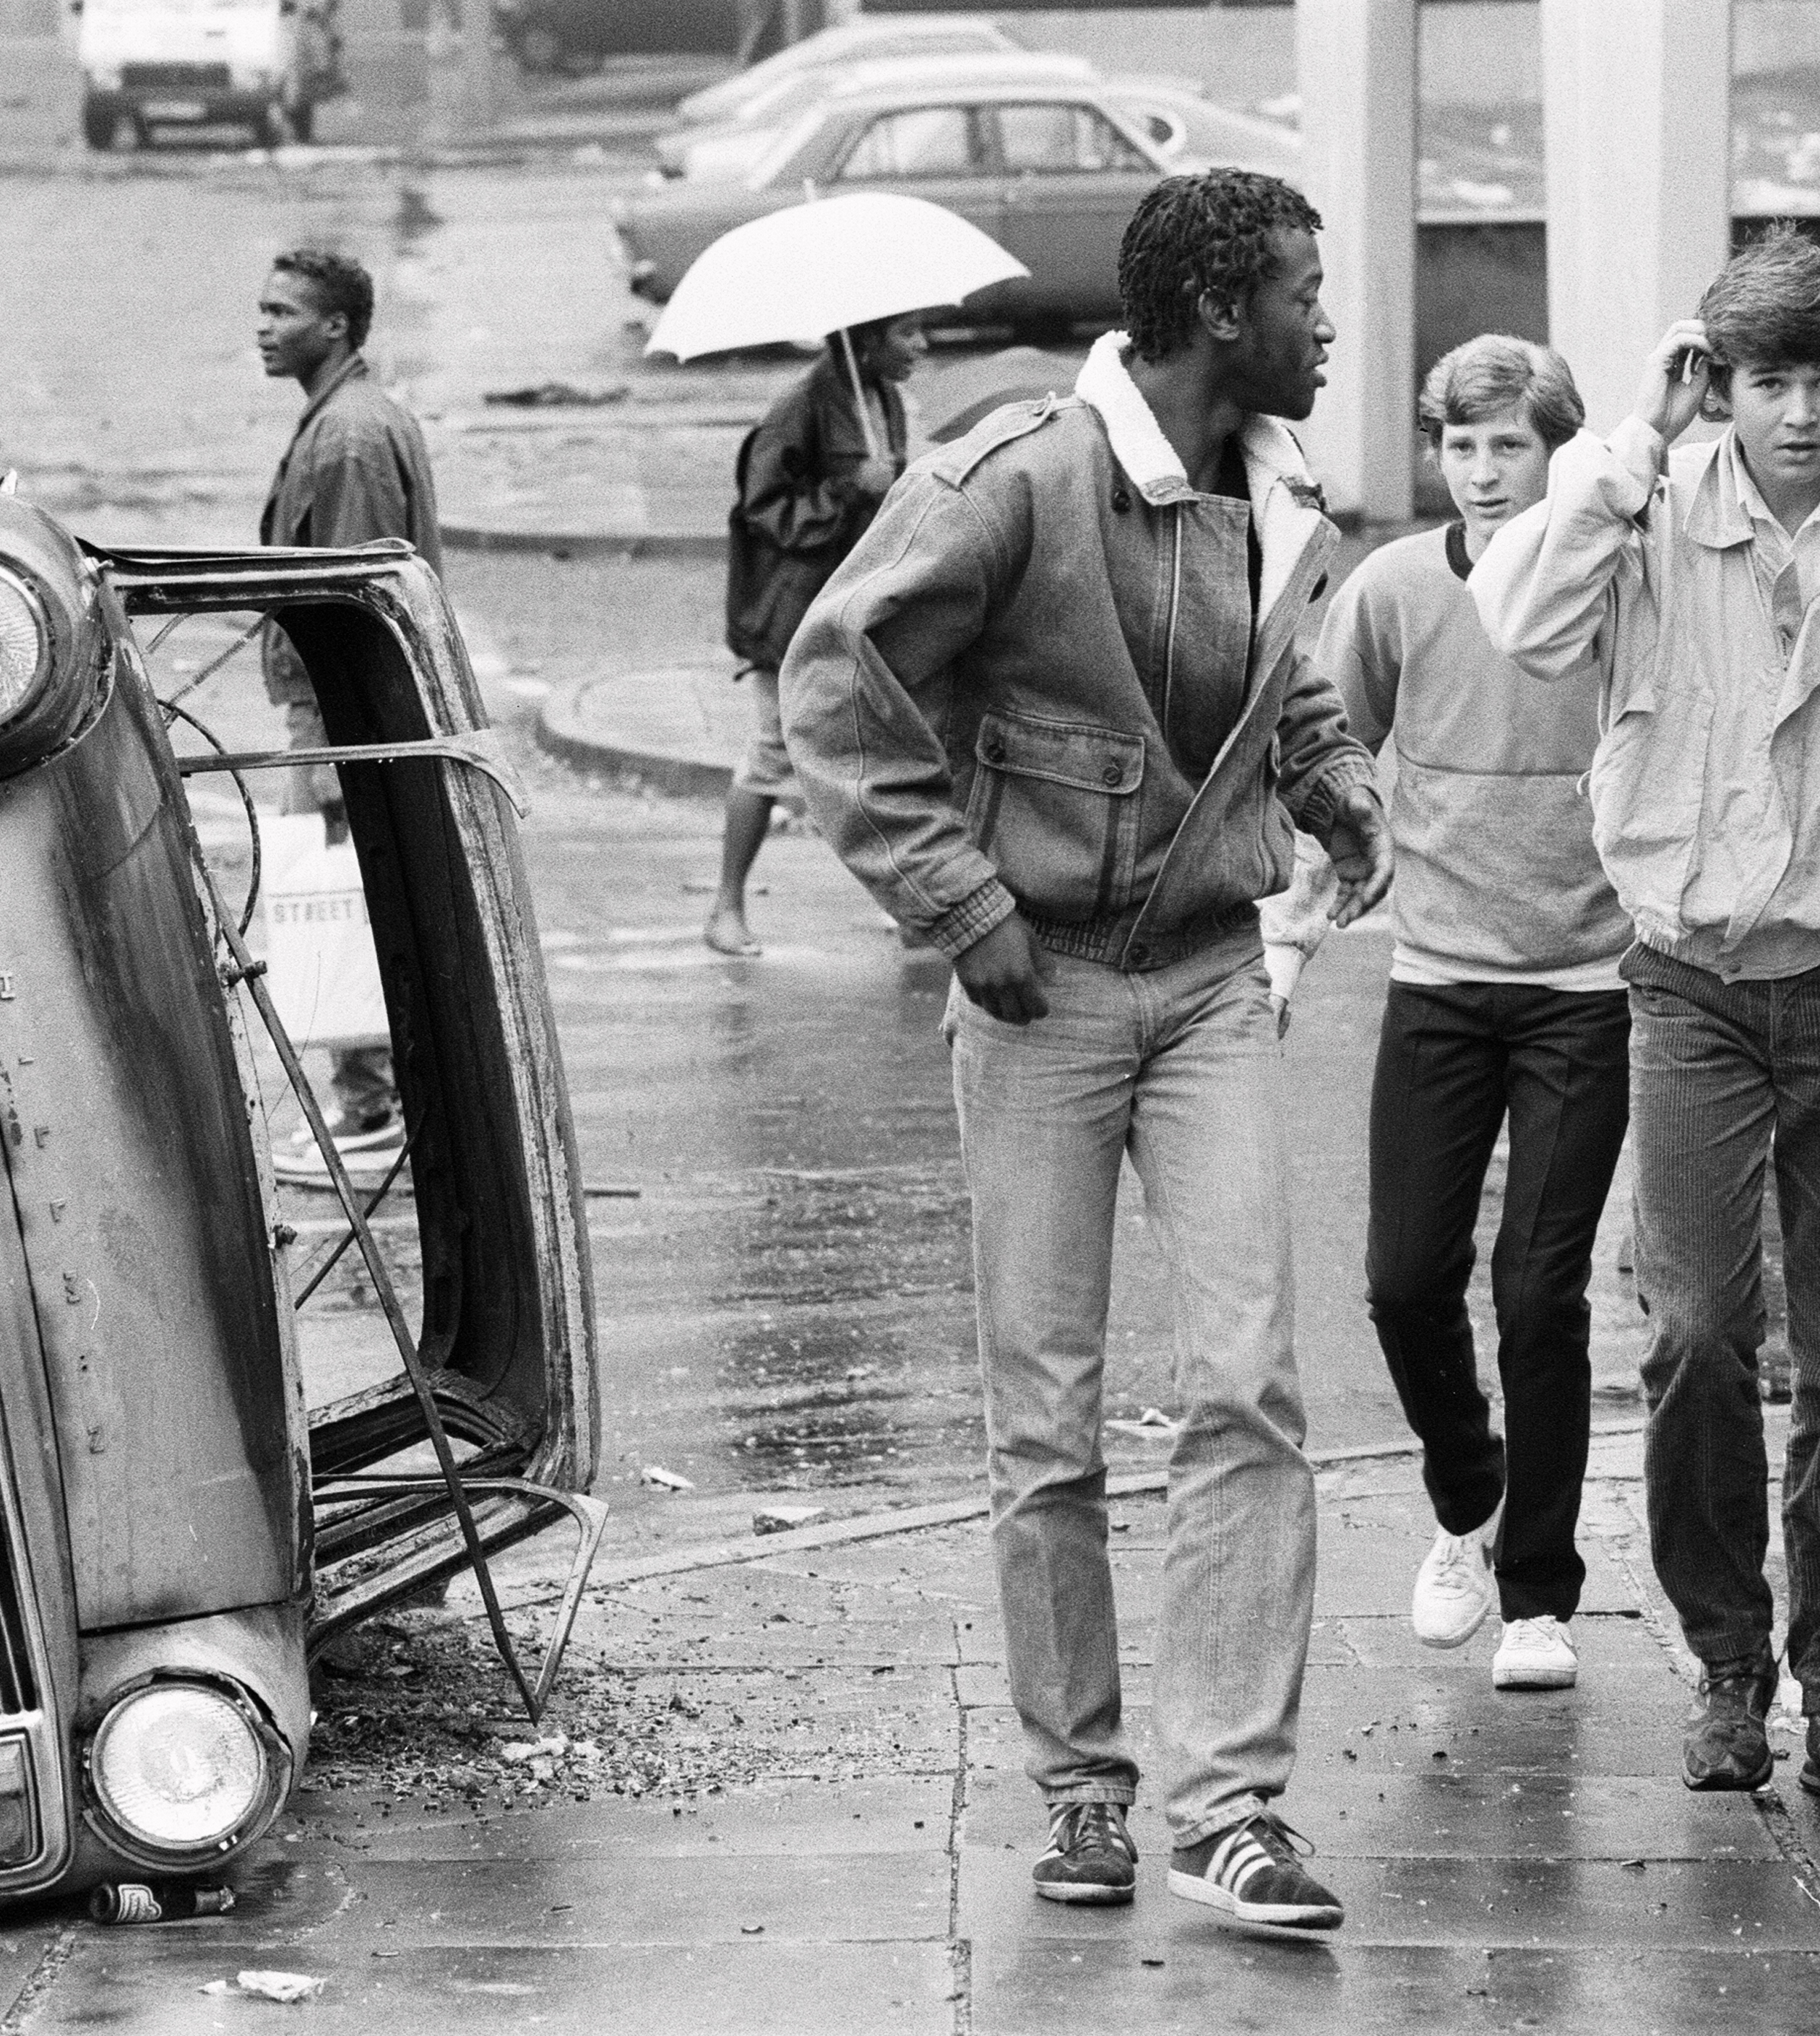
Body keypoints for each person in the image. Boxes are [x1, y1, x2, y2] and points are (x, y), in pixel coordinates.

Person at [782, 168, 1390, 1930]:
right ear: (1218, 312)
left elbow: (1277, 680)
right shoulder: (1018, 480)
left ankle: (1232, 1806)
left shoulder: (1274, 488)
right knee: (1042, 1417)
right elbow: (839, 686)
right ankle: (1083, 1785)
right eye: (1304, 290)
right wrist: (966, 914)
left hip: (1205, 981)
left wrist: (1332, 780)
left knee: (1252, 1380)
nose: (1326, 323)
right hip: (1039, 986)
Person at [1471, 228, 1820, 1818]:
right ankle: (1729, 1662)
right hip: (1694, 984)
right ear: (1719, 385)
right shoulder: (1646, 504)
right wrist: (1622, 442)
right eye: (1766, 381)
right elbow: (1513, 623)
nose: (1798, 414)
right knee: (1700, 1332)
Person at [1323, 337, 1629, 1696]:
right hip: (1439, 978)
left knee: (1539, 1290)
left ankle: (1538, 1592)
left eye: (1511, 445)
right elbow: (1328, 750)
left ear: (1557, 451)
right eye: (1462, 446)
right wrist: (1317, 891)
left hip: (1586, 987)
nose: (1486, 471)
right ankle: (1468, 1495)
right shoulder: (1394, 588)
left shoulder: (1611, 589)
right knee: (1401, 1279)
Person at [254, 246, 441, 1166]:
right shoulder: (345, 421)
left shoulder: (348, 438)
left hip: (341, 715)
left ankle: (368, 1108)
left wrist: (333, 747)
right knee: (354, 902)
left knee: (337, 906)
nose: (263, 327)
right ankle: (374, 1097)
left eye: (282, 312)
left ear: (335, 328)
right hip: (345, 712)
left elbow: (350, 598)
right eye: (262, 309)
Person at [705, 311, 927, 957]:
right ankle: (725, 910)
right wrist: (846, 490)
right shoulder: (798, 408)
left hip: (853, 608)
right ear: (866, 339)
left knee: (877, 754)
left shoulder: (879, 396)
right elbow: (763, 510)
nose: (921, 344)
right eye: (907, 333)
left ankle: (911, 908)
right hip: (790, 616)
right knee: (774, 754)